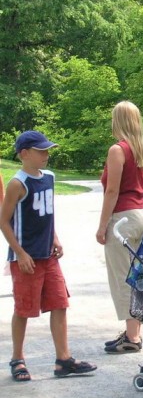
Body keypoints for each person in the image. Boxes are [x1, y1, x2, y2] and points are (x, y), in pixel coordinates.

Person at [1, 131, 97, 381]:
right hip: (26, 259)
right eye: (41, 151)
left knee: (59, 303)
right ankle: (17, 359)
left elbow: (48, 215)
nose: (46, 154)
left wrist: (55, 238)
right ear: (24, 154)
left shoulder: (50, 178)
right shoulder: (17, 183)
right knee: (24, 309)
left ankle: (63, 360)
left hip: (48, 255)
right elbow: (3, 220)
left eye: (47, 150)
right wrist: (20, 253)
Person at [96, 101, 143, 353]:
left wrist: (103, 224)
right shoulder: (141, 149)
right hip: (141, 214)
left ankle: (133, 337)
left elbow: (112, 190)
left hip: (123, 218)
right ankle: (133, 330)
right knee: (137, 275)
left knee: (122, 276)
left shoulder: (117, 150)